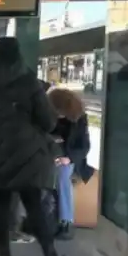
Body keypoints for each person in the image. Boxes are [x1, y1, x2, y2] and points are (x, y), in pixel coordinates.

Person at [0, 37, 67, 256]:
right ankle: (49, 254)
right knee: (33, 203)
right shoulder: (28, 81)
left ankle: (3, 254)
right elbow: (48, 122)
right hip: (26, 153)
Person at [47, 87, 92, 241]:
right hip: (49, 154)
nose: (59, 116)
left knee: (62, 176)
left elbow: (84, 146)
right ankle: (48, 218)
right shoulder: (47, 115)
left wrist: (68, 158)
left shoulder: (78, 119)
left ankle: (66, 221)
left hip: (69, 158)